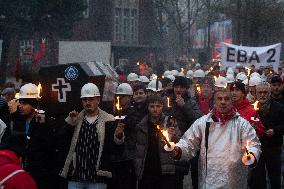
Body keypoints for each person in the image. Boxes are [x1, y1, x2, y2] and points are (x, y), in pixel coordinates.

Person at [171, 88, 261, 188]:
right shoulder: (203, 122)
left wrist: (252, 155)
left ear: (232, 102)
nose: (223, 102)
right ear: (214, 102)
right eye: (219, 99)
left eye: (226, 99)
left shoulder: (242, 124)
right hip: (209, 181)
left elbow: (253, 144)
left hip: (234, 182)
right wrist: (178, 150)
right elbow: (188, 142)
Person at [60, 83, 114, 189]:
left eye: (91, 99)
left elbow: (114, 149)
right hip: (76, 176)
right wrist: (70, 123)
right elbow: (62, 141)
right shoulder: (76, 119)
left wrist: (119, 136)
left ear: (98, 100)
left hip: (97, 178)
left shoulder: (109, 120)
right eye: (84, 99)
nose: (87, 102)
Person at [11, 83, 57, 189]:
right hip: (21, 172)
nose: (20, 106)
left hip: (40, 175)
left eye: (24, 103)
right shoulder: (19, 120)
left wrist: (42, 126)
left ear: (33, 105)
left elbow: (48, 145)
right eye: (20, 103)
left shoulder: (45, 121)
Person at [135, 95, 186, 189]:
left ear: (162, 107)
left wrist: (173, 136)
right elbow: (138, 146)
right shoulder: (142, 124)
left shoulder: (169, 122)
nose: (155, 109)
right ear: (148, 107)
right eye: (152, 106)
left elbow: (179, 142)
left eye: (158, 106)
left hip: (164, 168)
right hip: (146, 169)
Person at [249, 82, 284, 189]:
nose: (263, 95)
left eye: (265, 92)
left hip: (273, 147)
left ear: (270, 93)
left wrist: (274, 130)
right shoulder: (252, 108)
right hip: (257, 147)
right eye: (260, 92)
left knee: (275, 177)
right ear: (256, 93)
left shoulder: (279, 107)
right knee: (258, 178)